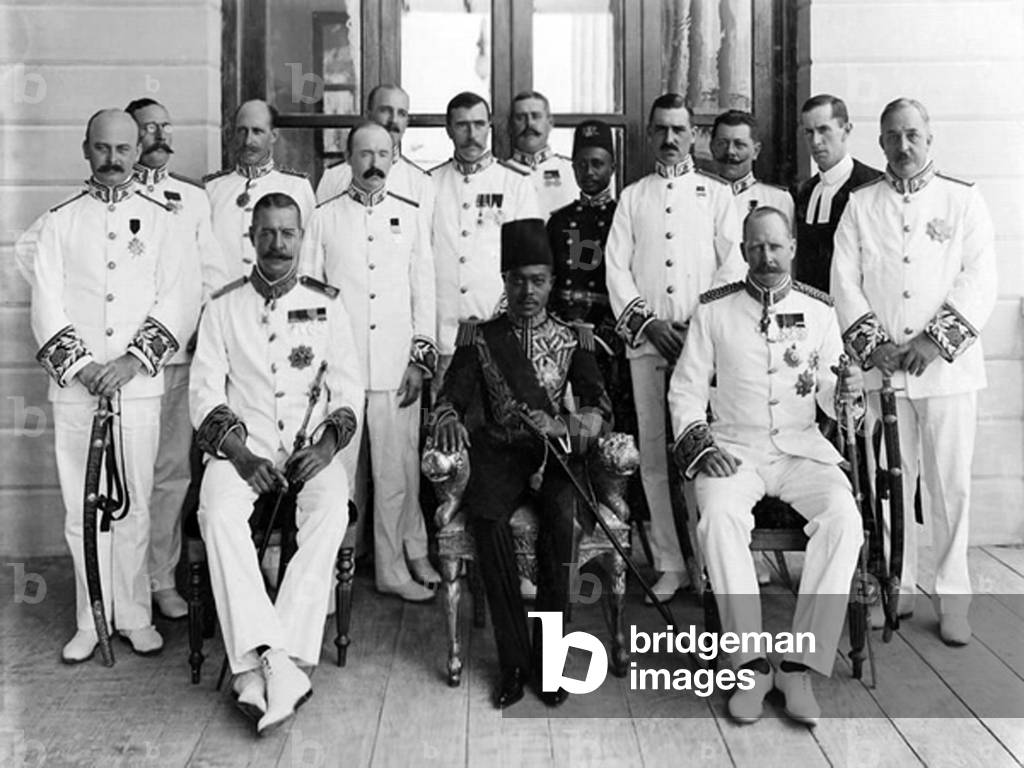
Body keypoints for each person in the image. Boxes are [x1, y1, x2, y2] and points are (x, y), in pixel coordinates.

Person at [669, 206, 863, 726]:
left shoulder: (820, 311)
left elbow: (829, 392)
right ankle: (749, 665)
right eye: (756, 247)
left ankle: (799, 665)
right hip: (735, 448)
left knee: (844, 519)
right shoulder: (714, 311)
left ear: (793, 247)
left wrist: (845, 394)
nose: (766, 256)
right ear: (742, 250)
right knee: (719, 518)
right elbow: (685, 390)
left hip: (802, 449)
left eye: (776, 246)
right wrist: (699, 443)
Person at [190, 192, 363, 734]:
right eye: (267, 233)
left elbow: (347, 388)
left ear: (301, 238)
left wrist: (327, 448)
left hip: (309, 450)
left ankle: (265, 663)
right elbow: (202, 394)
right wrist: (240, 456)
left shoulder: (328, 304)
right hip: (243, 450)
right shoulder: (222, 307)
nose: (278, 243)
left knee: (332, 507)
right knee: (216, 513)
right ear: (252, 238)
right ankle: (275, 660)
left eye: (288, 233)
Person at [831, 98, 997, 646]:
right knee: (887, 483)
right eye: (892, 137)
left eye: (912, 136)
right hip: (883, 371)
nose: (903, 147)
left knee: (949, 484)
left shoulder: (963, 200)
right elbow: (845, 281)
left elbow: (980, 278)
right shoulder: (861, 205)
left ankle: (953, 597)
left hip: (946, 372)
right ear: (879, 143)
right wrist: (874, 345)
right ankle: (891, 587)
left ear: (930, 138)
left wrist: (934, 340)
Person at [428, 218, 611, 709]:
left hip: (556, 455)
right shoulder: (481, 337)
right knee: (487, 518)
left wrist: (566, 427)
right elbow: (450, 397)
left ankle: (550, 661)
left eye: (537, 280)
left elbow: (599, 408)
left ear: (551, 282)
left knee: (561, 522)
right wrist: (446, 418)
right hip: (499, 452)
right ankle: (512, 662)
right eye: (517, 280)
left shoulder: (576, 339)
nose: (527, 290)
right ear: (504, 281)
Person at [31, 108, 188, 661]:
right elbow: (46, 300)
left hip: (137, 384)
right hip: (77, 388)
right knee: (83, 505)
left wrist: (130, 362)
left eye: (124, 148)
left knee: (136, 504)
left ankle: (135, 614)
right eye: (103, 148)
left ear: (135, 148)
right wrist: (82, 368)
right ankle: (88, 618)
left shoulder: (165, 218)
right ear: (86, 149)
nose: (114, 158)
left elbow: (179, 295)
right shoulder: (60, 220)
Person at [605, 93, 745, 604]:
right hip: (646, 345)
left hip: (700, 347)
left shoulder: (716, 195)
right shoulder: (633, 197)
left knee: (703, 447)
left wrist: (696, 324)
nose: (669, 139)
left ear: (694, 135)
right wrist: (646, 323)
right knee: (653, 456)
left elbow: (734, 266)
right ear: (649, 133)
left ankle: (711, 562)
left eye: (679, 130)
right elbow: (616, 267)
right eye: (660, 129)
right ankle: (668, 562)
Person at [303, 122, 439, 602]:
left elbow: (426, 294)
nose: (374, 163)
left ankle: (392, 568)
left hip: (395, 369)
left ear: (395, 155)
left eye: (383, 152)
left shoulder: (411, 214)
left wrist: (420, 361)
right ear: (349, 158)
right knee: (337, 475)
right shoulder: (323, 217)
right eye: (364, 153)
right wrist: (318, 368)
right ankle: (327, 577)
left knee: (396, 474)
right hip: (340, 372)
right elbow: (308, 299)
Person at [125, 96, 228, 620]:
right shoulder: (110, 199)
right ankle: (124, 583)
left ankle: (161, 579)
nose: (159, 136)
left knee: (170, 473)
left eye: (165, 126)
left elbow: (211, 274)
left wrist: (208, 338)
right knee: (126, 475)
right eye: (148, 128)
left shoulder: (192, 198)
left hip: (180, 358)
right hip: (126, 364)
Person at [429, 91, 541, 385]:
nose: (471, 134)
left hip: (500, 331)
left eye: (479, 124)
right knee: (444, 422)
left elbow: (528, 262)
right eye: (462, 125)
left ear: (490, 126)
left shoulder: (515, 183)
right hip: (445, 335)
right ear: (448, 129)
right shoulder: (429, 184)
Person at [205, 99, 315, 279]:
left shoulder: (296, 187)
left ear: (273, 136)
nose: (248, 140)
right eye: (242, 131)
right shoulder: (213, 189)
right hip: (223, 301)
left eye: (257, 131)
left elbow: (309, 254)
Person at [792, 94, 882, 292]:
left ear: (846, 130)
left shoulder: (874, 186)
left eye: (824, 130)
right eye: (809, 132)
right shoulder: (804, 192)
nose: (815, 141)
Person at [314, 84, 435, 220]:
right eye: (385, 111)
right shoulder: (334, 177)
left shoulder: (420, 182)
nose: (393, 120)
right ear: (368, 115)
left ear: (407, 122)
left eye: (401, 114)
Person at [711, 109, 793, 226]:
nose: (730, 152)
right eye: (722, 143)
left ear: (755, 151)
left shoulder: (777, 199)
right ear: (712, 148)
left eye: (739, 145)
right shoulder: (698, 197)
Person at [504, 91, 579, 218]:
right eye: (520, 118)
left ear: (550, 123)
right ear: (510, 126)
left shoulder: (572, 171)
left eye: (536, 116)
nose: (529, 124)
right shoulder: (500, 173)